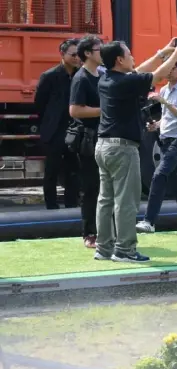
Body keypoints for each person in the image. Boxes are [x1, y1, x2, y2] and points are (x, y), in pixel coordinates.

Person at [95, 38, 177, 263]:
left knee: (106, 200)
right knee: (126, 201)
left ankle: (104, 248)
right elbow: (156, 76)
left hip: (103, 146)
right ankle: (125, 250)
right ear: (119, 60)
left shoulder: (107, 78)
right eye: (128, 54)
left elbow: (140, 71)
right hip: (122, 148)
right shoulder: (124, 81)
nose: (133, 57)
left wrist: (162, 52)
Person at [137, 58, 177, 232]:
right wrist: (156, 125)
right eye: (167, 69)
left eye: (172, 69)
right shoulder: (164, 89)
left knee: (159, 175)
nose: (168, 73)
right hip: (165, 139)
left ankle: (149, 221)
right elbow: (167, 118)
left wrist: (164, 102)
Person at [35, 38, 81, 210]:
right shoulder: (49, 76)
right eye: (73, 54)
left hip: (74, 130)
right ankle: (51, 206)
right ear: (62, 54)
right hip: (54, 131)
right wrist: (49, 122)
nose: (77, 58)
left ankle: (72, 204)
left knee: (73, 170)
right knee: (51, 170)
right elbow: (40, 104)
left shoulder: (80, 76)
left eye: (79, 55)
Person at [68, 35, 103, 248]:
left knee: (104, 188)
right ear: (88, 54)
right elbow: (75, 110)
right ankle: (89, 232)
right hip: (88, 140)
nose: (103, 52)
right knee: (91, 187)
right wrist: (104, 110)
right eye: (99, 49)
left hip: (103, 137)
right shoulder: (81, 78)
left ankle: (105, 231)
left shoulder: (102, 74)